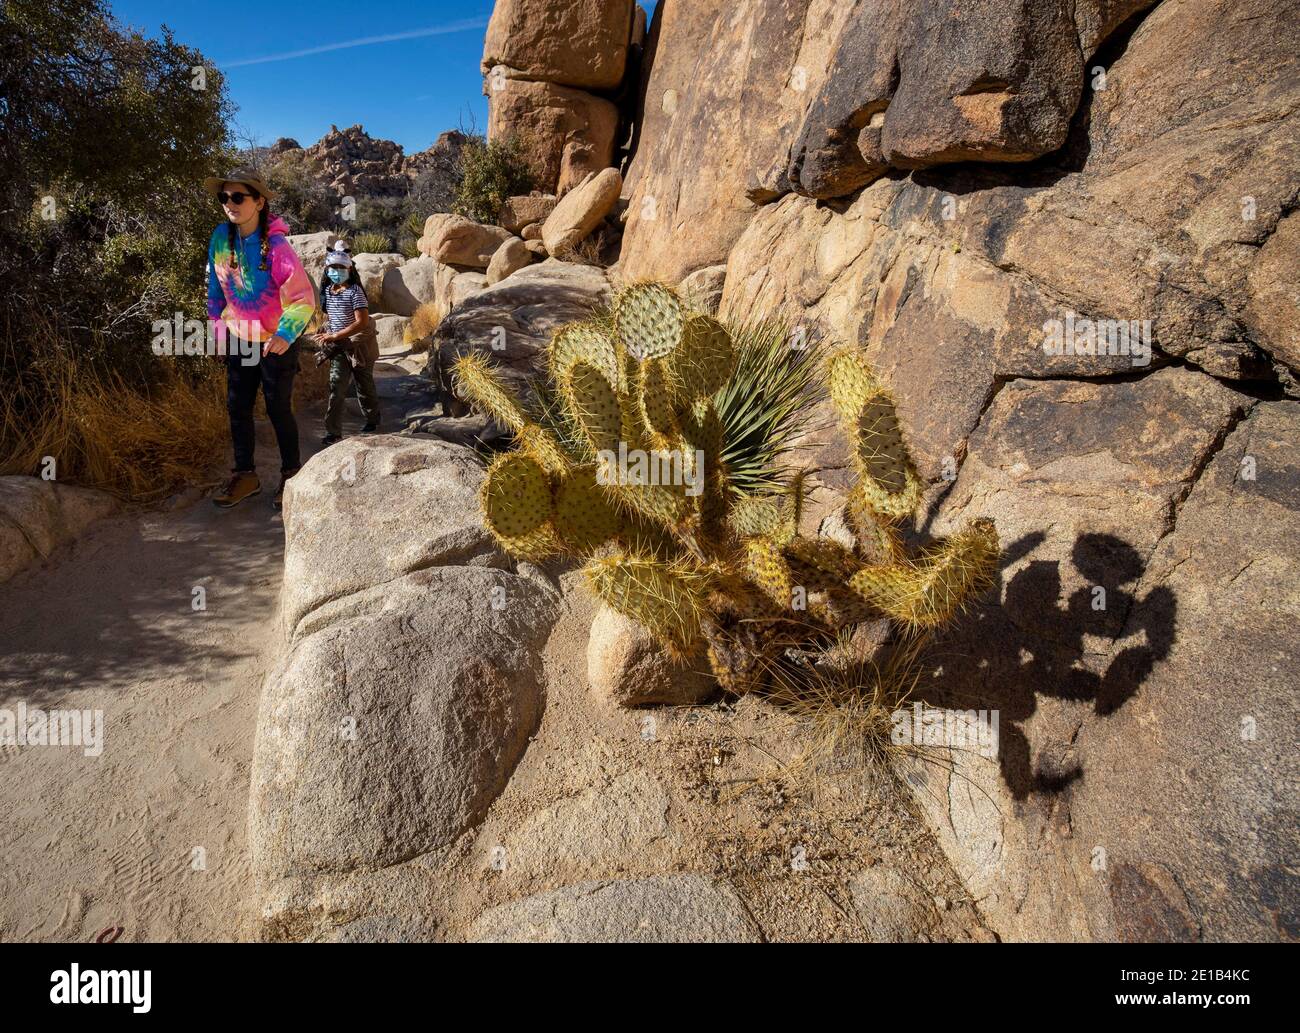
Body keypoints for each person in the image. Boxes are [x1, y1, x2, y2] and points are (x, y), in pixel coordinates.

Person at [203, 166, 316, 510]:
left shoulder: (278, 247)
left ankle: (291, 476)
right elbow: (214, 291)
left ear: (259, 202)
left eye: (238, 197)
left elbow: (303, 299)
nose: (230, 203)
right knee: (237, 405)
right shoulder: (220, 239)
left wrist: (285, 334)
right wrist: (217, 333)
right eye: (224, 197)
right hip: (240, 335)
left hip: (275, 340)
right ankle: (246, 475)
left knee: (277, 407)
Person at [315, 247, 381, 445]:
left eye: (340, 267)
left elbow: (361, 322)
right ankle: (333, 432)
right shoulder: (328, 291)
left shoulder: (356, 292)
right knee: (336, 388)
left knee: (364, 385)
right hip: (339, 348)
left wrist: (336, 334)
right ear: (326, 270)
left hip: (359, 347)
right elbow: (333, 316)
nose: (336, 271)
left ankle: (372, 419)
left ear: (349, 269)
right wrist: (327, 332)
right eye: (332, 267)